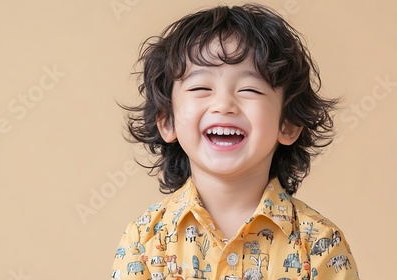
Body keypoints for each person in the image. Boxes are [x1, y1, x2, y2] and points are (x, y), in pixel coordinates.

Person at [111, 3, 359, 280]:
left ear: (288, 124)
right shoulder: (144, 240)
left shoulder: (320, 243)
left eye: (249, 89)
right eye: (200, 88)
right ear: (167, 122)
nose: (223, 104)